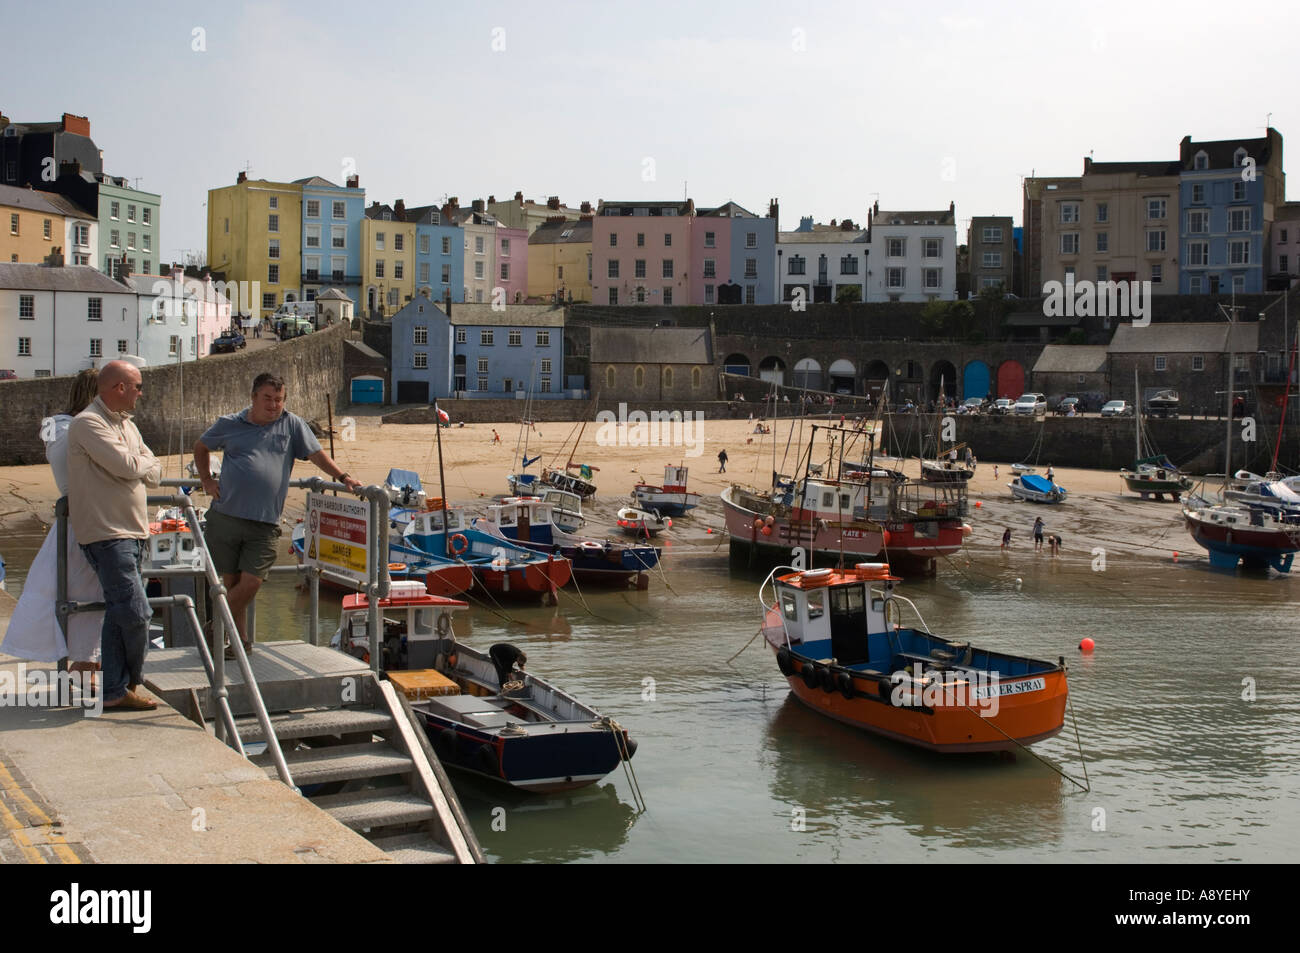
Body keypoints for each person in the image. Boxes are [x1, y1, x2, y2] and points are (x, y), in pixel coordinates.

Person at [194, 373, 362, 658]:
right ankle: (240, 643)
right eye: (268, 399)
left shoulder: (291, 423)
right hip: (226, 516)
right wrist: (207, 480)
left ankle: (215, 625)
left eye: (279, 399)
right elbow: (201, 446)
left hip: (265, 520)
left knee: (252, 582)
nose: (274, 405)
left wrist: (343, 476)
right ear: (253, 397)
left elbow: (316, 454)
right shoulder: (230, 424)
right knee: (234, 584)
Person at [67, 361, 164, 711]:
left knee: (119, 613)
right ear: (119, 388)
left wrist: (140, 464)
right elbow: (128, 466)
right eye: (137, 386)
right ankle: (130, 682)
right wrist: (139, 464)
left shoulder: (126, 424)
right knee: (136, 613)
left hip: (132, 531)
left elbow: (153, 469)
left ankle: (113, 690)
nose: (141, 393)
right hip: (108, 533)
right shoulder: (87, 423)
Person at [3, 370, 105, 675]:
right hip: (84, 523)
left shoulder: (63, 427)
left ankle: (88, 665)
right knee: (81, 596)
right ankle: (83, 667)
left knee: (85, 597)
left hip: (88, 520)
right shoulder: (63, 428)